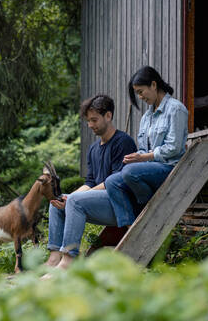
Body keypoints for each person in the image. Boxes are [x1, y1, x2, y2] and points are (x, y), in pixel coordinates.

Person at [45, 94, 137, 270]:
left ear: (108, 116)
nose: (90, 125)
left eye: (94, 120)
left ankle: (68, 262)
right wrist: (69, 198)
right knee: (58, 200)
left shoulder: (123, 142)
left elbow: (116, 182)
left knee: (74, 200)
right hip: (100, 202)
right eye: (88, 121)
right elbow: (90, 182)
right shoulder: (93, 149)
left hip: (120, 205)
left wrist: (76, 199)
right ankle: (54, 258)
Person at [105, 66, 188, 226]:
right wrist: (136, 158)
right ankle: (130, 228)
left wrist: (143, 157)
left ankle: (147, 208)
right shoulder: (146, 117)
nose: (140, 97)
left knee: (130, 172)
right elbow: (143, 149)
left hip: (169, 168)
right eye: (137, 93)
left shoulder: (176, 109)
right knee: (111, 182)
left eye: (141, 91)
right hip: (149, 169)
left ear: (154, 85)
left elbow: (174, 148)